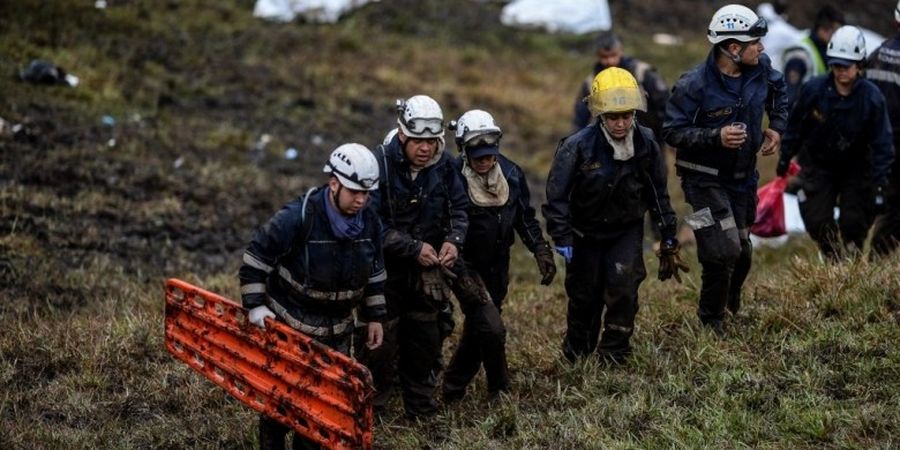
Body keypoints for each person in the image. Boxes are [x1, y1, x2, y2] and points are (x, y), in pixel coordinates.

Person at [238, 143, 386, 450]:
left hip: (338, 333)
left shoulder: (370, 222)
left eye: (367, 193)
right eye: (354, 191)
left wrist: (375, 317)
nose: (361, 200)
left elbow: (374, 271)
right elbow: (256, 258)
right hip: (291, 329)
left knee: (322, 409)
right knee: (281, 402)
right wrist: (254, 306)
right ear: (334, 183)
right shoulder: (298, 216)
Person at [664, 4, 788, 334]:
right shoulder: (693, 85)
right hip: (700, 180)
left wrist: (776, 126)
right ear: (733, 48)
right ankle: (711, 318)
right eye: (754, 43)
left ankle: (730, 302)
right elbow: (672, 132)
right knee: (722, 247)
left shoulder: (761, 68)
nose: (761, 48)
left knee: (743, 249)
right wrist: (715, 136)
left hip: (742, 178)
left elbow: (780, 91)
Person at [545, 67, 683, 364]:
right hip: (585, 234)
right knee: (585, 297)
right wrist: (562, 235)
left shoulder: (646, 142)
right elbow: (556, 196)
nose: (621, 123)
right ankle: (576, 354)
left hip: (625, 230)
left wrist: (667, 233)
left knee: (623, 290)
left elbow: (657, 192)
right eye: (613, 117)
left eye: (627, 116)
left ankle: (614, 352)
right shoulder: (576, 147)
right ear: (600, 115)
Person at [355, 94, 481, 419]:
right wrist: (412, 248)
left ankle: (421, 410)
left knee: (425, 340)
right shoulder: (378, 164)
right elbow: (369, 224)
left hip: (429, 273)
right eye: (417, 141)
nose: (425, 148)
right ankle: (373, 410)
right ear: (402, 135)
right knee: (378, 344)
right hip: (384, 273)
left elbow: (460, 210)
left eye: (431, 141)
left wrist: (454, 241)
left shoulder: (446, 166)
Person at [441, 109, 557, 401]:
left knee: (481, 327)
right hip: (464, 265)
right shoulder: (450, 178)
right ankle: (499, 387)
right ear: (464, 151)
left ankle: (452, 387)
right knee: (492, 328)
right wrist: (455, 270)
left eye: (490, 154)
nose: (485, 161)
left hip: (497, 264)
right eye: (478, 155)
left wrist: (540, 249)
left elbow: (524, 218)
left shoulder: (512, 175)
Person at [777, 25, 894, 260]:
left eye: (847, 65)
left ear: (859, 65)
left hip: (857, 167)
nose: (841, 71)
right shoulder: (813, 90)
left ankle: (852, 259)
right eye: (836, 65)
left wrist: (881, 182)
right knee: (817, 218)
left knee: (854, 221)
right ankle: (833, 257)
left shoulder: (871, 97)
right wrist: (785, 157)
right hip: (818, 164)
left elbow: (883, 141)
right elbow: (796, 127)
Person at [572, 31, 669, 140]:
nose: (609, 61)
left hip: (648, 138)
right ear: (597, 55)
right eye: (604, 57)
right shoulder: (591, 83)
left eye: (613, 55)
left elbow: (665, 105)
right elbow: (580, 118)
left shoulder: (642, 73)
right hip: (609, 142)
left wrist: (665, 133)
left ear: (621, 51)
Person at [867, 2, 900, 257]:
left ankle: (879, 258)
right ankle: (879, 260)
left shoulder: (878, 53)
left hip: (879, 145)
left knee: (892, 207)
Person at [781, 5, 845, 104]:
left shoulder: (826, 51)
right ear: (825, 28)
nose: (838, 36)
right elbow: (789, 97)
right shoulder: (801, 53)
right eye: (836, 31)